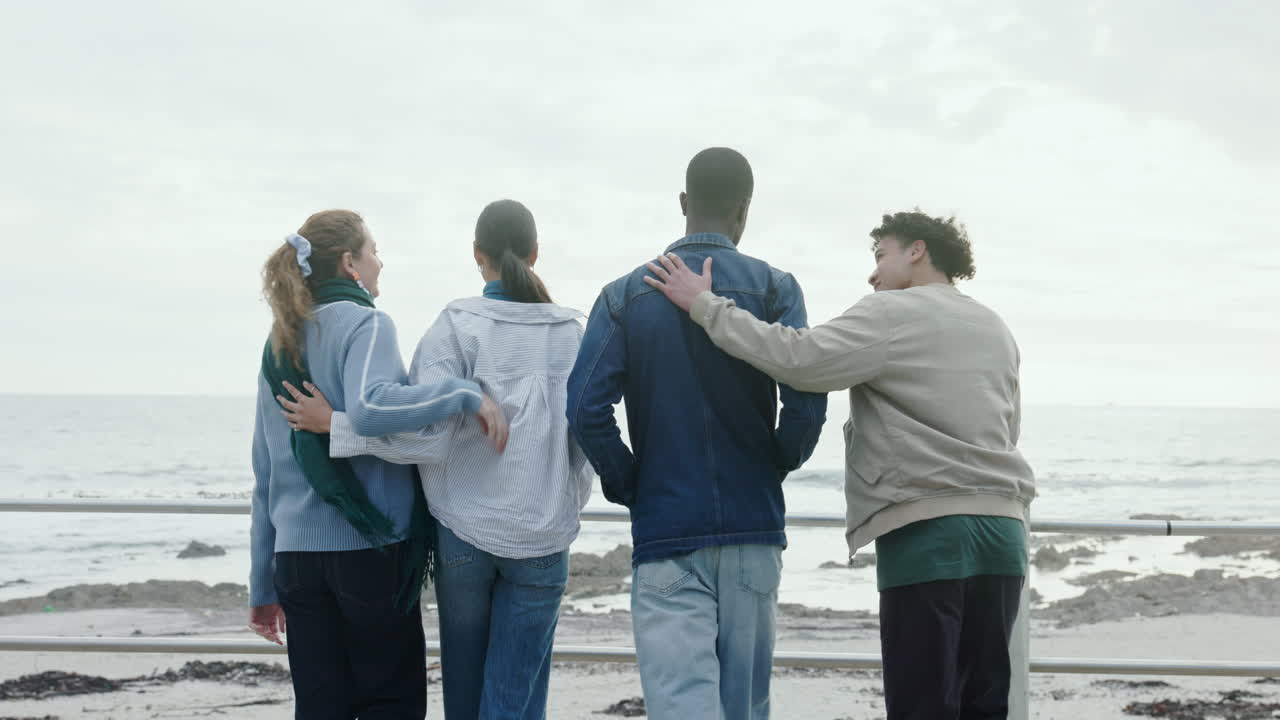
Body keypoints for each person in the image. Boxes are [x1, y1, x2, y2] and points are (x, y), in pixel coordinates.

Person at [642, 209, 1036, 720]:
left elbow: (800, 359)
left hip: (930, 533)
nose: (873, 274)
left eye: (881, 256)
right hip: (1004, 531)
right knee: (984, 703)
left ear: (916, 250)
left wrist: (705, 306)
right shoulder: (994, 326)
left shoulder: (890, 314)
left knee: (923, 705)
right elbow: (1010, 427)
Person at [278, 199, 591, 720]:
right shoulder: (570, 334)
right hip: (543, 539)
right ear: (535, 254)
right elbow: (585, 442)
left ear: (476, 254)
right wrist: (562, 504)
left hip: (462, 536)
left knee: (464, 698)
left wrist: (338, 425)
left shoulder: (456, 324)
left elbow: (422, 438)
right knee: (517, 697)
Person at [566, 148, 828, 719]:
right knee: (744, 710)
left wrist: (630, 481)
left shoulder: (625, 294)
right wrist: (777, 458)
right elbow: (807, 392)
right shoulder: (775, 287)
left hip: (667, 531)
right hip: (753, 529)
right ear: (744, 210)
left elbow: (586, 408)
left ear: (683, 203)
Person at [251, 209, 506, 719]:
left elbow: (265, 471)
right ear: (349, 262)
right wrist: (465, 394)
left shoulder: (279, 339)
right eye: (373, 252)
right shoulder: (366, 323)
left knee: (320, 707)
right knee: (391, 701)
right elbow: (372, 408)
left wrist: (262, 584)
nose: (379, 263)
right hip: (367, 551)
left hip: (296, 557)